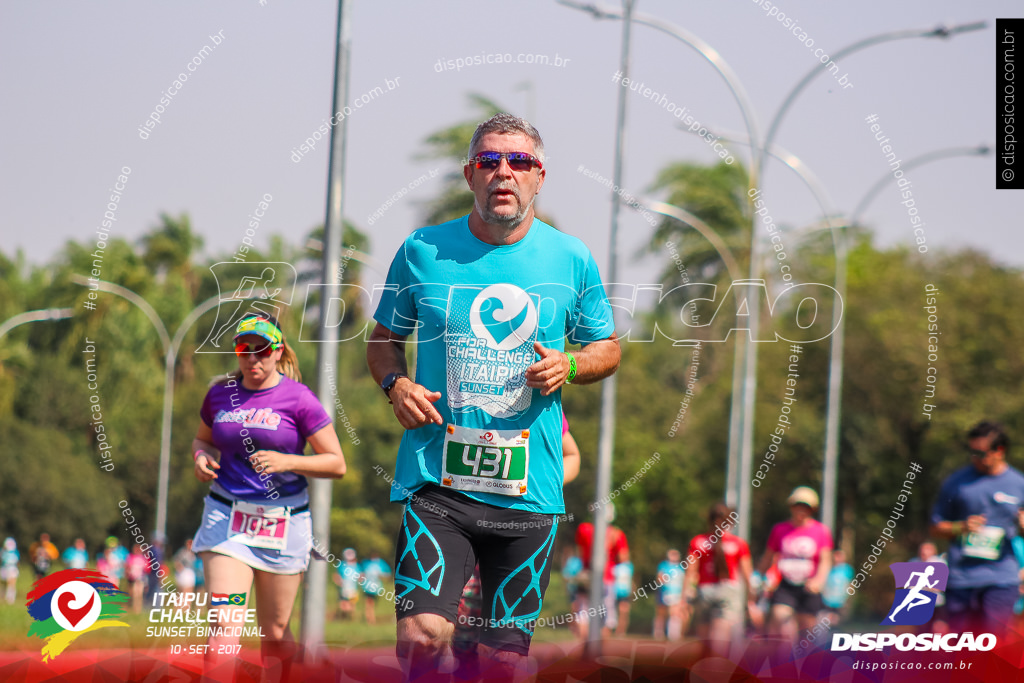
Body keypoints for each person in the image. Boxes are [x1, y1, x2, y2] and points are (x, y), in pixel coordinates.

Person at [367, 113, 619, 680]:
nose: (504, 172)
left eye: (520, 161)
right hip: (439, 481)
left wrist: (571, 364)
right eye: (489, 161)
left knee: (502, 661)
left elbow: (607, 347)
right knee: (422, 636)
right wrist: (395, 383)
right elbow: (383, 340)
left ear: (539, 177)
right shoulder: (423, 250)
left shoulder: (570, 257)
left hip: (528, 491)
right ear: (469, 175)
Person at [191, 312, 346, 677]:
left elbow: (336, 463)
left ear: (278, 352)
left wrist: (287, 461)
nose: (253, 358)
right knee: (224, 628)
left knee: (274, 634)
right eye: (245, 349)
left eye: (262, 350)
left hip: (283, 522)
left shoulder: (298, 399)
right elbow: (203, 439)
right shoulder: (220, 394)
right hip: (226, 517)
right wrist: (201, 457)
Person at [930, 421, 1024, 635]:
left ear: (1000, 451)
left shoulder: (1019, 484)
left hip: (1001, 578)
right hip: (961, 578)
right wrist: (960, 527)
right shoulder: (956, 483)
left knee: (994, 645)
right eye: (971, 452)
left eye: (980, 453)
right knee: (963, 648)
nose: (974, 458)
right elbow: (935, 528)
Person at [757, 487, 833, 647]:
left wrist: (819, 581)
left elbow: (826, 560)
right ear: (791, 506)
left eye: (806, 507)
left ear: (812, 509)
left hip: (808, 586)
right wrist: (758, 577)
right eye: (798, 506)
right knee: (781, 619)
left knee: (807, 631)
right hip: (785, 585)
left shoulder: (820, 531)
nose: (801, 510)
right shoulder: (780, 530)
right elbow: (768, 556)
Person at [685, 502, 753, 657]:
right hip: (729, 591)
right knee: (720, 642)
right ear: (729, 521)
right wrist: (751, 599)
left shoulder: (698, 542)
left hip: (704, 591)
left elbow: (691, 572)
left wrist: (685, 598)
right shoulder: (738, 544)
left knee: (706, 642)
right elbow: (747, 575)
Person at [575, 505, 630, 638]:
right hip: (607, 578)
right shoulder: (616, 533)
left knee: (583, 613)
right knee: (607, 617)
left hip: (587, 576)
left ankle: (585, 649)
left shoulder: (584, 529)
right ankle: (600, 653)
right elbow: (624, 558)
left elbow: (579, 552)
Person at [654, 549, 685, 641]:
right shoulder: (663, 565)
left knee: (675, 613)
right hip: (665, 591)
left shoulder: (680, 567)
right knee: (661, 612)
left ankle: (673, 633)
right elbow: (659, 578)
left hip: (676, 593)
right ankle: (658, 632)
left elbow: (683, 581)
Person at [821, 548, 854, 627]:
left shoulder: (847, 569)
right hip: (827, 598)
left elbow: (850, 583)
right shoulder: (829, 567)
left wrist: (848, 595)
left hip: (841, 599)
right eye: (836, 556)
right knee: (827, 618)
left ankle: (836, 632)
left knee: (837, 619)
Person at [359, 551, 392, 625]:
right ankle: (371, 620)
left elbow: (387, 575)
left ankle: (370, 619)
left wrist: (382, 577)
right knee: (369, 603)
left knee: (371, 604)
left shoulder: (381, 563)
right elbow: (361, 574)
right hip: (367, 587)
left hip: (376, 588)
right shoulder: (366, 563)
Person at [334, 548, 360, 621]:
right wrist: (339, 582)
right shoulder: (341, 565)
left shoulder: (356, 565)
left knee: (352, 606)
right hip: (343, 589)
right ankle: (343, 618)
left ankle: (350, 619)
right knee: (343, 605)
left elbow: (360, 576)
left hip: (353, 589)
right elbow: (336, 575)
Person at [611, 558, 634, 636]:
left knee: (623, 612)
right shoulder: (614, 566)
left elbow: (630, 579)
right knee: (613, 611)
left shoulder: (629, 566)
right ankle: (611, 629)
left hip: (625, 593)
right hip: (614, 592)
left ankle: (621, 630)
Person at [173, 539, 199, 605]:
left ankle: (187, 606)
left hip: (191, 572)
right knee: (182, 591)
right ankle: (179, 606)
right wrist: (179, 567)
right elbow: (176, 561)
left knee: (189, 591)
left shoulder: (193, 553)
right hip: (184, 572)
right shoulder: (182, 552)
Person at [125, 544, 147, 613]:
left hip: (141, 578)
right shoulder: (131, 557)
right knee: (134, 594)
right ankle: (134, 608)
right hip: (133, 579)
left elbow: (146, 568)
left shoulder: (143, 558)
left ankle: (138, 609)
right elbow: (127, 567)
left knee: (139, 594)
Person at [1, 538, 19, 604]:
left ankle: (10, 598)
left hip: (12, 568)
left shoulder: (15, 552)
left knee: (11, 583)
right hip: (4, 568)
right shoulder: (2, 551)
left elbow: (17, 561)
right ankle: (3, 597)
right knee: (4, 583)